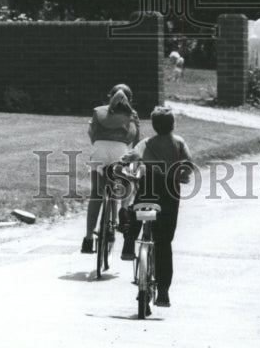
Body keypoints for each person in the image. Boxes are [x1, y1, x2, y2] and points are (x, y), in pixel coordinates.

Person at [120, 105, 194, 308]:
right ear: (173, 125)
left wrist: (124, 164)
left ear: (153, 125)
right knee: (164, 242)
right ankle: (163, 292)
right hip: (170, 192)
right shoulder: (179, 143)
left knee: (137, 209)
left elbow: (130, 157)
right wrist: (182, 175)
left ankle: (129, 241)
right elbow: (188, 164)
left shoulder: (146, 143)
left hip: (149, 187)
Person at [81, 84, 140, 256]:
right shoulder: (132, 115)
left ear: (109, 97)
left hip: (100, 150)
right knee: (125, 183)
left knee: (96, 194)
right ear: (130, 99)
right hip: (120, 151)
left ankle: (88, 239)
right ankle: (123, 209)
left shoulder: (98, 111)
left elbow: (92, 134)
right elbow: (136, 142)